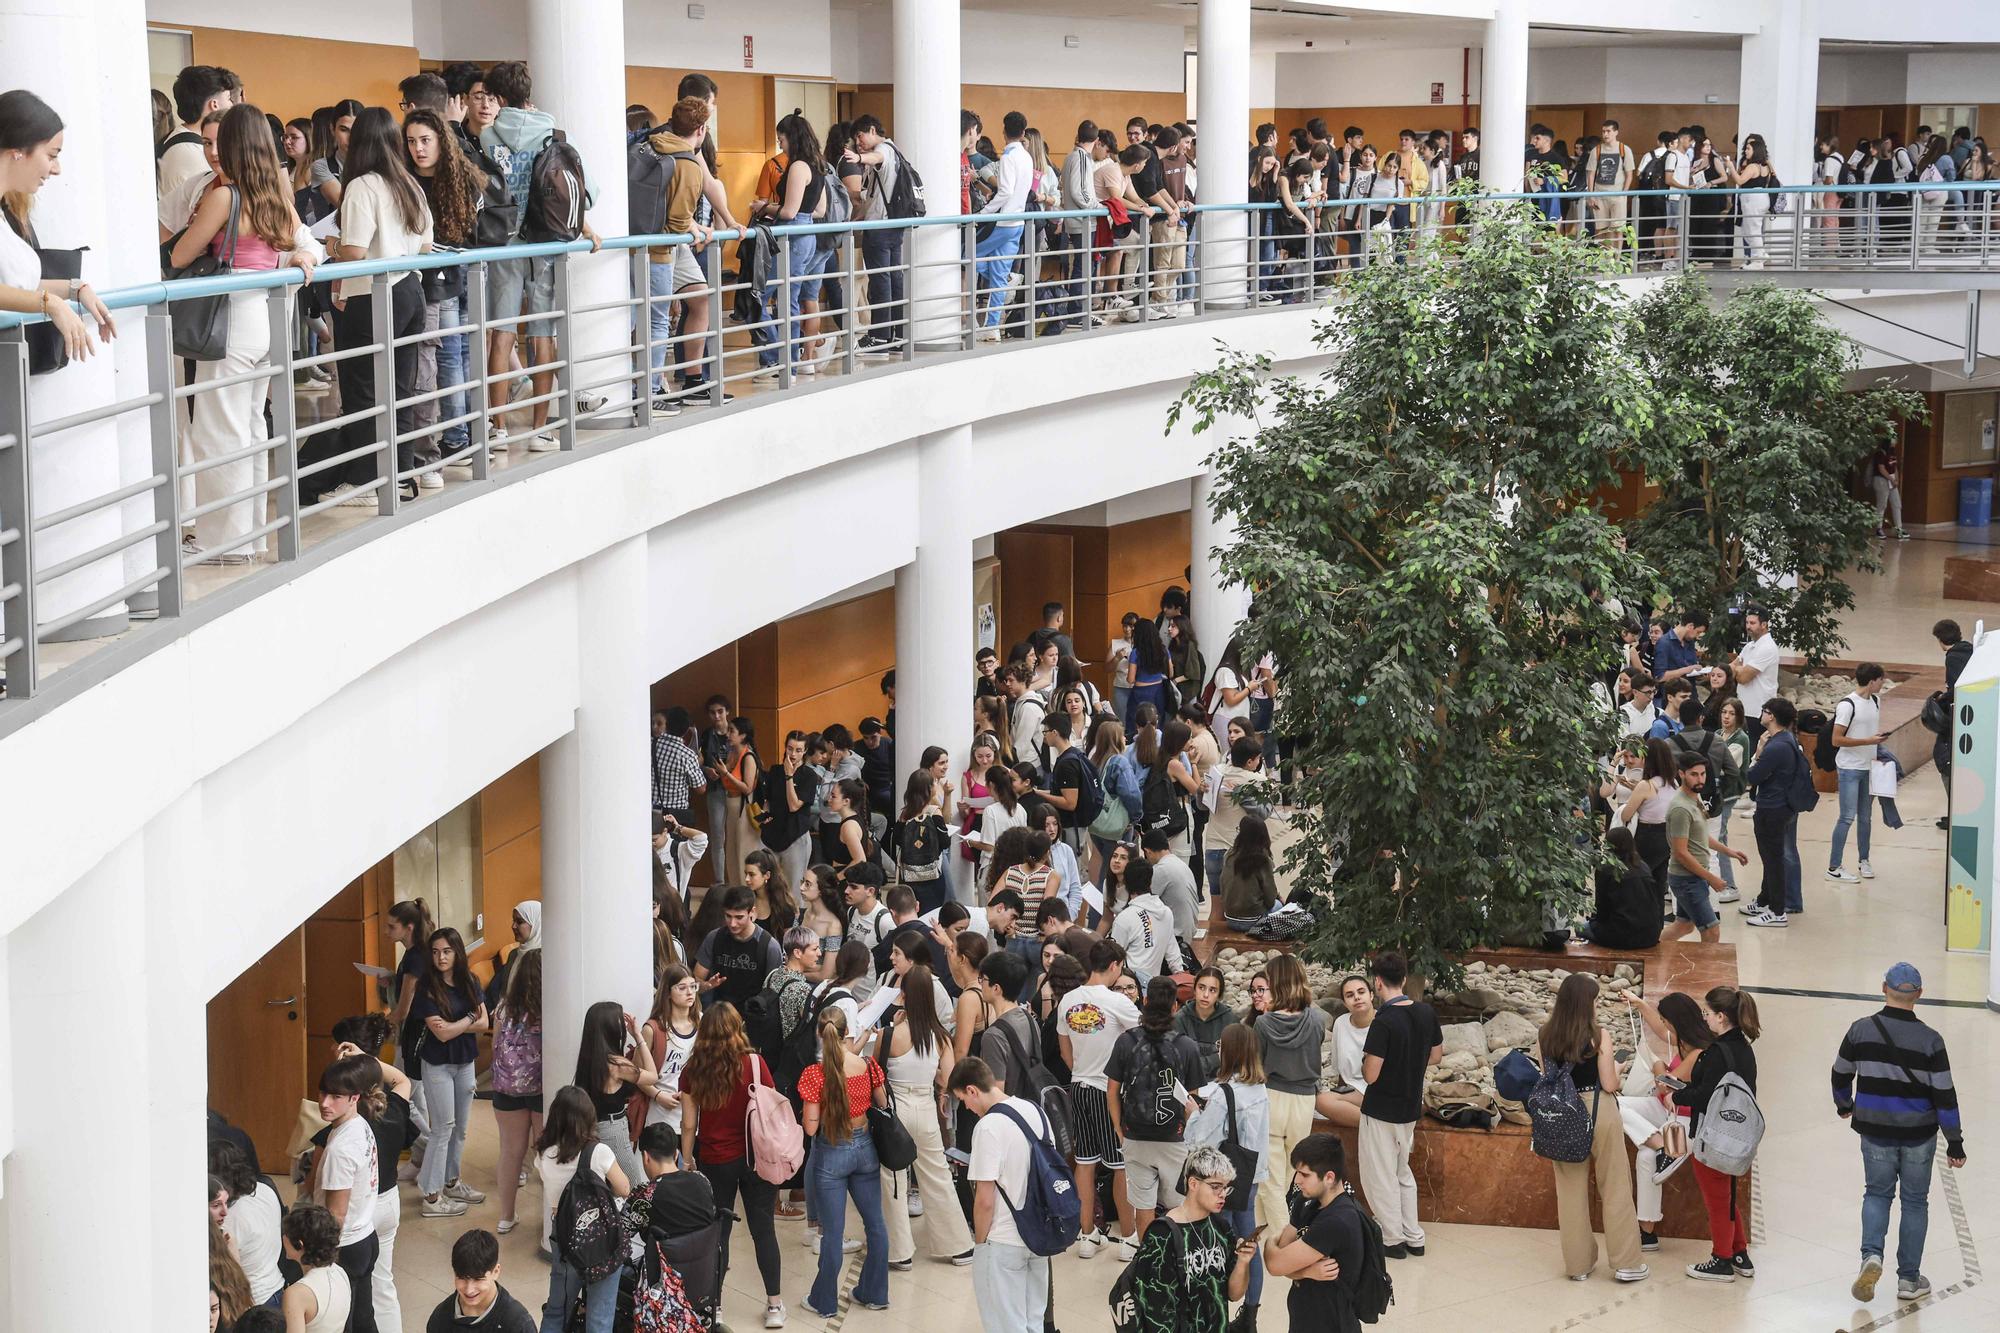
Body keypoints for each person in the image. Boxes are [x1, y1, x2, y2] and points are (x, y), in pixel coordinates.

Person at [165, 103, 315, 560]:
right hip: (266, 320)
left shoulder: (225, 197)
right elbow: (295, 249)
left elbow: (178, 257)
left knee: (219, 431)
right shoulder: (277, 198)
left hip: (228, 319)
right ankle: (249, 534)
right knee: (250, 430)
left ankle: (221, 542)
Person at [311, 106, 431, 508]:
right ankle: (399, 474)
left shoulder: (363, 186)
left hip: (372, 296)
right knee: (399, 389)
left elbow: (355, 251)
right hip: (411, 291)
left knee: (363, 391)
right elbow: (426, 245)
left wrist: (329, 246)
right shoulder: (409, 183)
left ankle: (366, 481)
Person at [1834, 962, 1967, 1304]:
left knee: (1877, 1194)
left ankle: (1871, 1257)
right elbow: (1945, 1096)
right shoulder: (1931, 1040)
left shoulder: (1860, 1030)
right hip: (1918, 1135)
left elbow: (1839, 1073)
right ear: (1919, 995)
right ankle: (1908, 1280)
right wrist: (1955, 1142)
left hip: (1875, 1130)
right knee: (1914, 1202)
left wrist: (1845, 1104)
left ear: (1883, 988)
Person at [679, 1003, 786, 1326]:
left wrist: (687, 1159)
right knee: (763, 1229)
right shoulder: (754, 1062)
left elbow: (688, 1124)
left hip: (715, 1160)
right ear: (738, 1028)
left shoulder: (694, 1069)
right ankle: (774, 1306)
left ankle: (716, 1306)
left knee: (718, 1235)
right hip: (756, 1158)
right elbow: (771, 1104)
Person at [1536, 974, 1648, 1283]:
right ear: (1587, 1004)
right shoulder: (1598, 1036)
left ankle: (1578, 1266)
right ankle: (1626, 1263)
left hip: (1562, 1114)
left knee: (1570, 1192)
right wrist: (1619, 1069)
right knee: (1615, 1186)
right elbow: (1610, 1084)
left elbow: (1550, 1077)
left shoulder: (1544, 1035)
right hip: (1599, 1110)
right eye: (1595, 1000)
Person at [873, 961, 976, 1269]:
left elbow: (876, 1075)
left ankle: (900, 1252)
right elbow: (946, 1079)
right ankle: (958, 1245)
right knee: (937, 1176)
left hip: (896, 1110)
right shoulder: (941, 1036)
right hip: (926, 1110)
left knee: (893, 1179)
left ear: (904, 995)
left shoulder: (889, 1035)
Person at [948, 1056, 1055, 1333]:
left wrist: (981, 1245)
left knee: (1006, 1324)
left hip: (1003, 1240)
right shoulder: (1035, 1111)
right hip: (1038, 1236)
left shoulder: (988, 1127)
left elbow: (984, 1200)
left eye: (964, 1100)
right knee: (1034, 1321)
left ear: (972, 1090)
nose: (968, 1108)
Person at [402, 108, 481, 481]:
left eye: (425, 140)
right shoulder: (406, 182)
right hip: (435, 280)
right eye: (412, 141)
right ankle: (458, 435)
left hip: (454, 277)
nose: (418, 149)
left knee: (456, 357)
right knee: (450, 357)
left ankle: (458, 436)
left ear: (440, 141)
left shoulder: (456, 179)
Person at [798, 1004, 892, 1317]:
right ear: (846, 1032)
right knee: (875, 1225)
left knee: (833, 1234)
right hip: (865, 1149)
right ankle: (874, 1293)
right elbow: (882, 1105)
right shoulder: (867, 1064)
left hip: (831, 1152)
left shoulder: (815, 1075)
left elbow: (811, 1127)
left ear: (819, 1035)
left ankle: (824, 1302)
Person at [1107, 976, 1209, 1249]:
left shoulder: (1126, 1041)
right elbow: (1193, 1100)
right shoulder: (1186, 1046)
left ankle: (1149, 1260)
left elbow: (1112, 1090)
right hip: (1174, 1139)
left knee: (1144, 1206)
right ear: (1175, 1006)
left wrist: (1119, 1129)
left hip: (1135, 1136)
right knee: (1179, 1207)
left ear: (1145, 1000)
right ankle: (1177, 1259)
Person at [1059, 937, 1141, 1256]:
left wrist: (1082, 1068)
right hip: (1109, 1091)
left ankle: (1087, 1235)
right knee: (1120, 1165)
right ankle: (1130, 1237)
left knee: (1085, 1163)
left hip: (1078, 1086)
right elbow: (1144, 1036)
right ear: (1115, 966)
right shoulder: (1118, 1002)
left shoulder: (1068, 1001)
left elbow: (1065, 1051)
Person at [1185, 1023, 1271, 1330]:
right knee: (1248, 1242)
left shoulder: (1223, 1095)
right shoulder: (1260, 1087)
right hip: (1252, 1174)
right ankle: (1250, 1314)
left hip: (1226, 1178)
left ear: (1230, 1051)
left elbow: (1200, 1141)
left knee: (1222, 1241)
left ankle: (1218, 1303)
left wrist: (1192, 1113)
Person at [1675, 986, 1761, 1282]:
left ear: (1722, 1017)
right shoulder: (1744, 1050)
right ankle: (1739, 1253)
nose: (1705, 1018)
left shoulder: (1717, 1054)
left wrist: (1678, 1096)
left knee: (1717, 1200)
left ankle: (1721, 1259)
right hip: (1735, 1136)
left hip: (1711, 1137)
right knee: (1727, 1194)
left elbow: (1704, 1097)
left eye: (1707, 1013)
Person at [1359, 950, 1441, 1258]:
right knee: (1402, 1172)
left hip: (1381, 1108)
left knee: (1379, 1174)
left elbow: (1371, 1074)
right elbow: (1435, 1055)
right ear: (1404, 979)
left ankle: (1392, 1240)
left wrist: (1366, 1060)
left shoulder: (1383, 1021)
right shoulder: (1425, 1012)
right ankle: (1414, 1235)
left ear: (1377, 982)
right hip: (1409, 1107)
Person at [1126, 1142, 1257, 1333]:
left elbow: (1234, 1295)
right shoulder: (1162, 1235)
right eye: (1215, 1187)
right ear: (1193, 1183)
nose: (1222, 1195)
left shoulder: (1220, 1227)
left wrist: (1243, 1262)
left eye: (1226, 1188)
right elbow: (1154, 1310)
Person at [1617, 989, 1708, 1250]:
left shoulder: (1699, 1050)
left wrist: (1657, 1065)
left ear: (1678, 1022)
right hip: (1665, 1112)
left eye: (1668, 1022)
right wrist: (1640, 1004)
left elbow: (1666, 1086)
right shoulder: (1685, 1038)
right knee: (1612, 1104)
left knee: (1645, 1158)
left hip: (1686, 1123)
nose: (1665, 1028)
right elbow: (1659, 1028)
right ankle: (1659, 1144)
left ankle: (1647, 1232)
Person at [536, 1084, 631, 1333]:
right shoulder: (598, 1152)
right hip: (601, 1237)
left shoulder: (544, 1153)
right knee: (599, 1318)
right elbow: (624, 1188)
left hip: (564, 1234)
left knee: (557, 1308)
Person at [412, 927, 488, 1218]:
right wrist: (469, 1017)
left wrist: (459, 1024)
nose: (441, 957)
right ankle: (432, 1197)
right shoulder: (427, 988)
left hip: (465, 1062)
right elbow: (441, 1035)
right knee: (443, 1128)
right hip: (437, 1064)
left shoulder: (470, 980)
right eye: (435, 952)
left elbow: (484, 1023)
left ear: (457, 952)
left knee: (460, 1129)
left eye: (446, 951)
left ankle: (451, 1181)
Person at [1252, 954, 1326, 1234]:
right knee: (1285, 1175)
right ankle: (1256, 1233)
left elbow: (1258, 1067)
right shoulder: (1317, 1020)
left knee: (1269, 1178)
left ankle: (1283, 1238)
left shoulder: (1263, 1024)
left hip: (1272, 1097)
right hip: (1305, 1100)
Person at [309, 1053, 382, 1333]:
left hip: (346, 1247)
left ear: (354, 1097)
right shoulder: (358, 1124)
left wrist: (321, 1257)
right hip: (365, 1236)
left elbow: (335, 1214)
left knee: (344, 1326)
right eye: (323, 1093)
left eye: (336, 1097)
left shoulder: (340, 1150)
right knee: (364, 1320)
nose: (325, 1104)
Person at [1262, 1134, 1364, 1333]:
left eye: (1305, 1175)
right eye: (1297, 1172)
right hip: (1304, 1317)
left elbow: (1275, 1265)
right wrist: (1306, 1272)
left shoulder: (1337, 1221)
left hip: (1332, 1323)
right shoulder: (1305, 1201)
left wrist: (1269, 1242)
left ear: (1329, 1177)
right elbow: (1282, 1257)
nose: (1297, 1180)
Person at [574, 999, 661, 1188]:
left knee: (604, 1182)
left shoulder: (589, 1058)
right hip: (614, 1129)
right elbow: (653, 1076)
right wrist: (639, 1037)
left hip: (592, 1126)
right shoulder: (617, 1064)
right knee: (632, 1184)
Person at [489, 942, 543, 1237]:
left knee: (510, 1152)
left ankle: (506, 1215)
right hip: (542, 1088)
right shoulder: (550, 1009)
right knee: (547, 1151)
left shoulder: (503, 1009)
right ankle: (551, 1214)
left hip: (507, 1088)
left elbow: (497, 1045)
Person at [1666, 753, 1746, 943]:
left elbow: (1700, 836)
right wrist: (1711, 878)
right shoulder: (1681, 808)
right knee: (1712, 931)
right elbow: (1681, 852)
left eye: (1703, 774)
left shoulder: (1695, 798)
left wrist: (1730, 852)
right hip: (1687, 880)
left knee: (1683, 925)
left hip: (1694, 877)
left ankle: (1653, 952)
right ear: (1681, 774)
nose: (1700, 779)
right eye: (1694, 774)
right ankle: (1706, 972)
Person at [1742, 697, 1807, 928]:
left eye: (1764, 711)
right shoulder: (1786, 740)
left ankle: (1777, 911)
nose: (1761, 714)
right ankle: (1765, 900)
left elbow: (1752, 776)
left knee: (1773, 859)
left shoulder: (1777, 746)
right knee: (1772, 857)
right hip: (1781, 806)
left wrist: (1758, 752)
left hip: (1772, 807)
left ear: (1772, 716)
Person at [1828, 664, 1888, 883]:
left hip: (1868, 766)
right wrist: (1868, 741)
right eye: (1882, 680)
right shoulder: (1847, 705)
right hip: (1849, 768)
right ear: (1872, 681)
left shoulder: (1875, 701)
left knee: (1866, 817)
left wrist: (1875, 740)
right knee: (1846, 816)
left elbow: (1866, 732)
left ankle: (1864, 860)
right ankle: (1834, 866)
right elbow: (1836, 739)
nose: (1883, 684)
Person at [209, 1140, 282, 1305]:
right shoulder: (265, 1189)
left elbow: (224, 1272)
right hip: (276, 1287)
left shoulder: (228, 1216)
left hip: (251, 1301)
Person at [694, 885, 787, 1014]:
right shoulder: (714, 938)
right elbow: (697, 979)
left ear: (752, 913)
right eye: (728, 916)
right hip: (719, 1015)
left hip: (753, 1018)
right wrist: (707, 986)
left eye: (739, 917)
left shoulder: (769, 946)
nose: (732, 923)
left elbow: (774, 993)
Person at [425, 1228, 537, 1332]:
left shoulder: (517, 1324)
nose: (469, 1290)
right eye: (462, 1278)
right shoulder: (440, 1318)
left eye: (478, 1279)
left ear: (496, 1271)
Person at [1314, 975, 1375, 1129]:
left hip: (1382, 1091)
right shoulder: (1341, 1023)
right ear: (1344, 1003)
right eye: (1350, 995)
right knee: (1320, 1101)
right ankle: (1375, 1126)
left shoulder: (1386, 1022)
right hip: (1354, 1091)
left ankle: (1379, 1127)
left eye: (1361, 992)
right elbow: (1340, 1071)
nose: (1357, 998)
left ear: (1371, 995)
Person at [280, 1205, 352, 1333]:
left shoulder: (296, 1294)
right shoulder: (341, 1272)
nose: (283, 1237)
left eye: (286, 1234)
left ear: (300, 1244)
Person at [1110, 857, 1182, 984]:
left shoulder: (1124, 919)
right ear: (1150, 883)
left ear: (1126, 884)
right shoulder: (1166, 913)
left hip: (1128, 988)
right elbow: (1173, 954)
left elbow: (1113, 961)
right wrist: (1182, 978)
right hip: (1154, 988)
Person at [1934, 619, 1975, 827]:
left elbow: (1957, 687)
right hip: (1973, 714)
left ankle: (1957, 812)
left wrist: (1942, 698)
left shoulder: (1953, 657)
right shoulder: (1970, 650)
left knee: (1944, 759)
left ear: (1940, 640)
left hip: (1959, 718)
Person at [1175, 966, 1233, 1082]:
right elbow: (1180, 1064)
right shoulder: (1180, 1019)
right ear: (1195, 989)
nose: (1206, 995)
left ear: (1219, 995)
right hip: (1188, 1084)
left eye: (1212, 990)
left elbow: (1234, 1061)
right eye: (1201, 988)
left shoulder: (1230, 1020)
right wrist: (1217, 1058)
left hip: (1221, 1084)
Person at [1872, 442, 1909, 540]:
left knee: (1897, 504)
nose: (1895, 441)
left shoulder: (1892, 453)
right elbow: (1881, 468)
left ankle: (1899, 528)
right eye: (1893, 439)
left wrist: (1896, 479)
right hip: (1882, 480)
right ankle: (1878, 528)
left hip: (1892, 481)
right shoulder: (1880, 453)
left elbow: (1894, 467)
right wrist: (1891, 479)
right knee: (1882, 504)